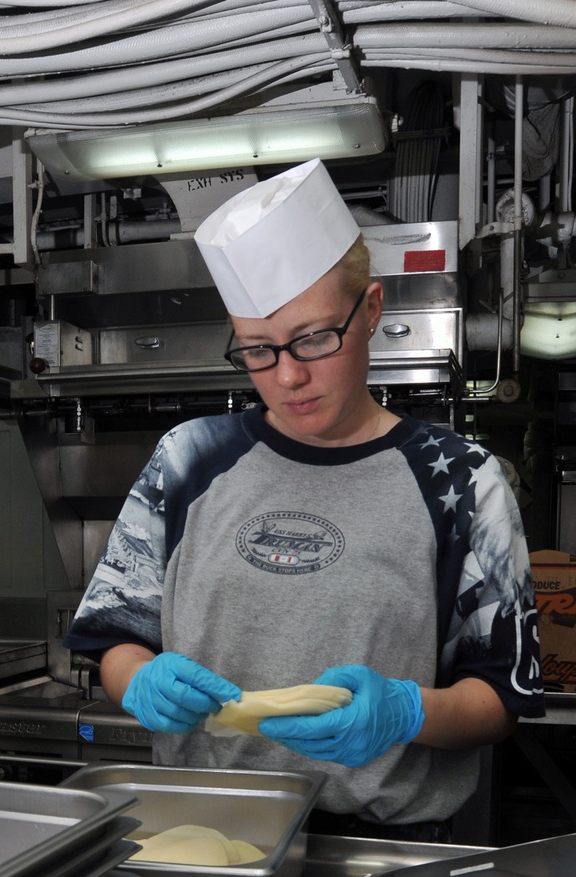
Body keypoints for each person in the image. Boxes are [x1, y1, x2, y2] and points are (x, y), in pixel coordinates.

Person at [63, 159, 544, 840]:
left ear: (371, 310)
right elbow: (114, 637)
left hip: (381, 847)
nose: (289, 376)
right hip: (201, 833)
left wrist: (408, 713)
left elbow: (501, 694)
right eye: (258, 350)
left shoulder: (462, 479)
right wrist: (138, 680)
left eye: (315, 338)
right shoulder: (188, 459)